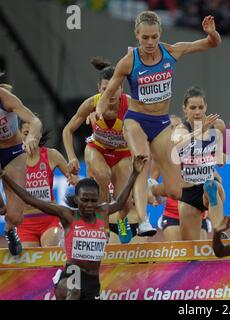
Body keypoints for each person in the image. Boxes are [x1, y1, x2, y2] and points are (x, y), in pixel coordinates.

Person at [94, 12, 221, 243]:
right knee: (141, 159)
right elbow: (110, 90)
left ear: (160, 34)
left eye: (153, 37)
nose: (150, 43)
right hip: (136, 120)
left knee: (174, 191)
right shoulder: (129, 62)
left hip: (161, 123)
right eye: (145, 38)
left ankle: (152, 187)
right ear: (137, 36)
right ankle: (143, 220)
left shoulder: (171, 52)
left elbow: (211, 44)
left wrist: (212, 33)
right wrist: (99, 110)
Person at [0, 156, 146, 300]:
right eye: (84, 200)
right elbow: (30, 199)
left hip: (92, 281)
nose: (89, 205)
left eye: (93, 201)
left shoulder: (103, 212)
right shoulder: (68, 215)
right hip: (71, 275)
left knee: (80, 291)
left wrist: (135, 173)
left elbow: (120, 202)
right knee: (75, 289)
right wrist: (4, 176)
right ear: (76, 199)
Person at [63, 57, 143, 243]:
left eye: (114, 89)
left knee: (125, 203)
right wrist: (72, 157)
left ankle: (121, 221)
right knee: (103, 174)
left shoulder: (130, 105)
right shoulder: (92, 104)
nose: (111, 94)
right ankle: (103, 226)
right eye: (105, 89)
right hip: (97, 149)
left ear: (121, 88)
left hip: (122, 153)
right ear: (99, 89)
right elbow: (67, 130)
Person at [152, 86, 226, 240]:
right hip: (188, 193)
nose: (197, 112)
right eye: (192, 108)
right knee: (190, 249)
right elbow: (176, 145)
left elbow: (219, 159)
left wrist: (220, 155)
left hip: (210, 185)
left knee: (211, 186)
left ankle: (219, 231)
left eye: (200, 107)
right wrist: (200, 130)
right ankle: (150, 190)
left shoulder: (217, 125)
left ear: (206, 106)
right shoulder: (181, 129)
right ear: (184, 109)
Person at [18, 121, 77, 247]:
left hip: (50, 219)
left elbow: (73, 177)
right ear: (19, 134)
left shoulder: (52, 155)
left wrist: (74, 178)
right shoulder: (14, 159)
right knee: (31, 265)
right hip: (25, 223)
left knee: (51, 254)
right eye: (26, 133)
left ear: (40, 134)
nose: (30, 138)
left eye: (33, 133)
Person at [0, 83, 42, 255]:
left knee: (15, 216)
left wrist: (32, 136)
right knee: (1, 207)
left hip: (13, 152)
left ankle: (10, 230)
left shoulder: (4, 97)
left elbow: (34, 120)